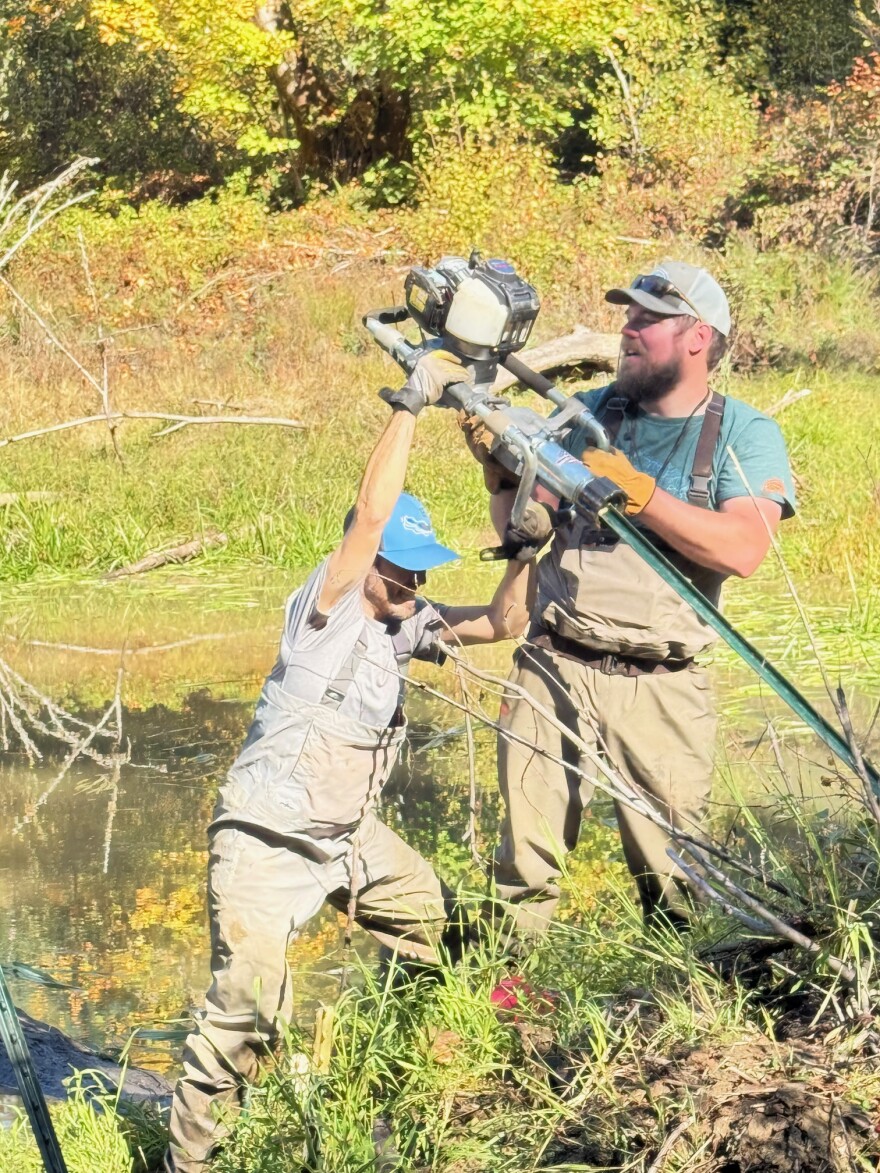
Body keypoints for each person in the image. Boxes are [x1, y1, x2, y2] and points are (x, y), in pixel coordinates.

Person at [165, 351, 531, 1172]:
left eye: (420, 571)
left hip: (346, 841)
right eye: (403, 569)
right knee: (243, 1013)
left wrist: (527, 537)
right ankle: (190, 1163)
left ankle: (407, 1072)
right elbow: (369, 518)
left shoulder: (406, 623)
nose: (414, 582)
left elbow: (506, 622)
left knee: (456, 933)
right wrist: (412, 402)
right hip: (266, 839)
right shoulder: (325, 607)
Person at [486, 259, 796, 937]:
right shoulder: (589, 411)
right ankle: (505, 1000)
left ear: (697, 337)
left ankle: (683, 1019)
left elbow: (743, 549)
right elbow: (523, 525)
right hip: (553, 661)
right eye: (628, 315)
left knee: (677, 883)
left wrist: (644, 495)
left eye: (647, 319)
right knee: (523, 868)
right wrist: (497, 470)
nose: (626, 329)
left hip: (662, 684)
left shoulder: (746, 432)